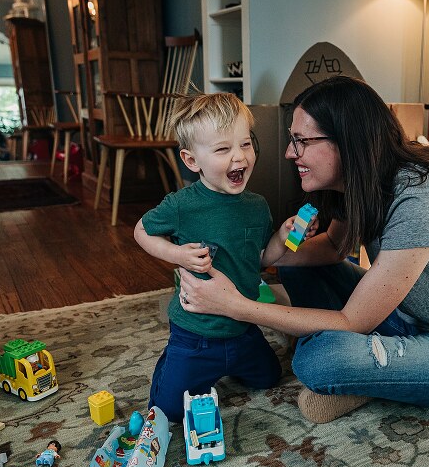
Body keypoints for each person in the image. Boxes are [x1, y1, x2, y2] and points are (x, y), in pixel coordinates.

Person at [178, 76, 429, 424]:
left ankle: (368, 378)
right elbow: (333, 246)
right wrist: (248, 262)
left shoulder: (425, 202)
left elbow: (353, 321)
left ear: (347, 143)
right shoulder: (363, 178)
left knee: (316, 361)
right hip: (405, 315)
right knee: (296, 264)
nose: (290, 153)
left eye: (301, 141)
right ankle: (377, 369)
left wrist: (236, 306)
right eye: (291, 140)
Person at [134, 93, 315, 422]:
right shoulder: (182, 205)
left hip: (244, 328)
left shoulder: (257, 205)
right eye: (222, 149)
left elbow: (260, 259)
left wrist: (284, 237)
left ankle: (230, 363)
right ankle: (173, 362)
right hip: (196, 333)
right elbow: (141, 232)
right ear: (192, 161)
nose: (240, 158)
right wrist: (176, 253)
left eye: (245, 144)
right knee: (168, 412)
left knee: (269, 378)